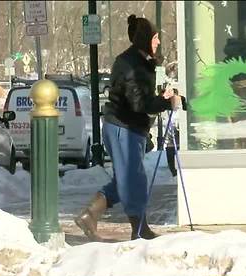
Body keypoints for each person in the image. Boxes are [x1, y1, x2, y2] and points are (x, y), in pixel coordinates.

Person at [75, 14, 182, 241]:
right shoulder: (132, 64)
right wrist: (165, 102)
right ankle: (139, 228)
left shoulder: (138, 61)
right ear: (145, 39)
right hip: (123, 128)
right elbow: (138, 103)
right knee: (133, 179)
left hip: (127, 127)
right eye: (155, 38)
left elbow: (139, 97)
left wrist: (161, 97)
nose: (158, 42)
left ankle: (91, 213)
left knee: (126, 178)